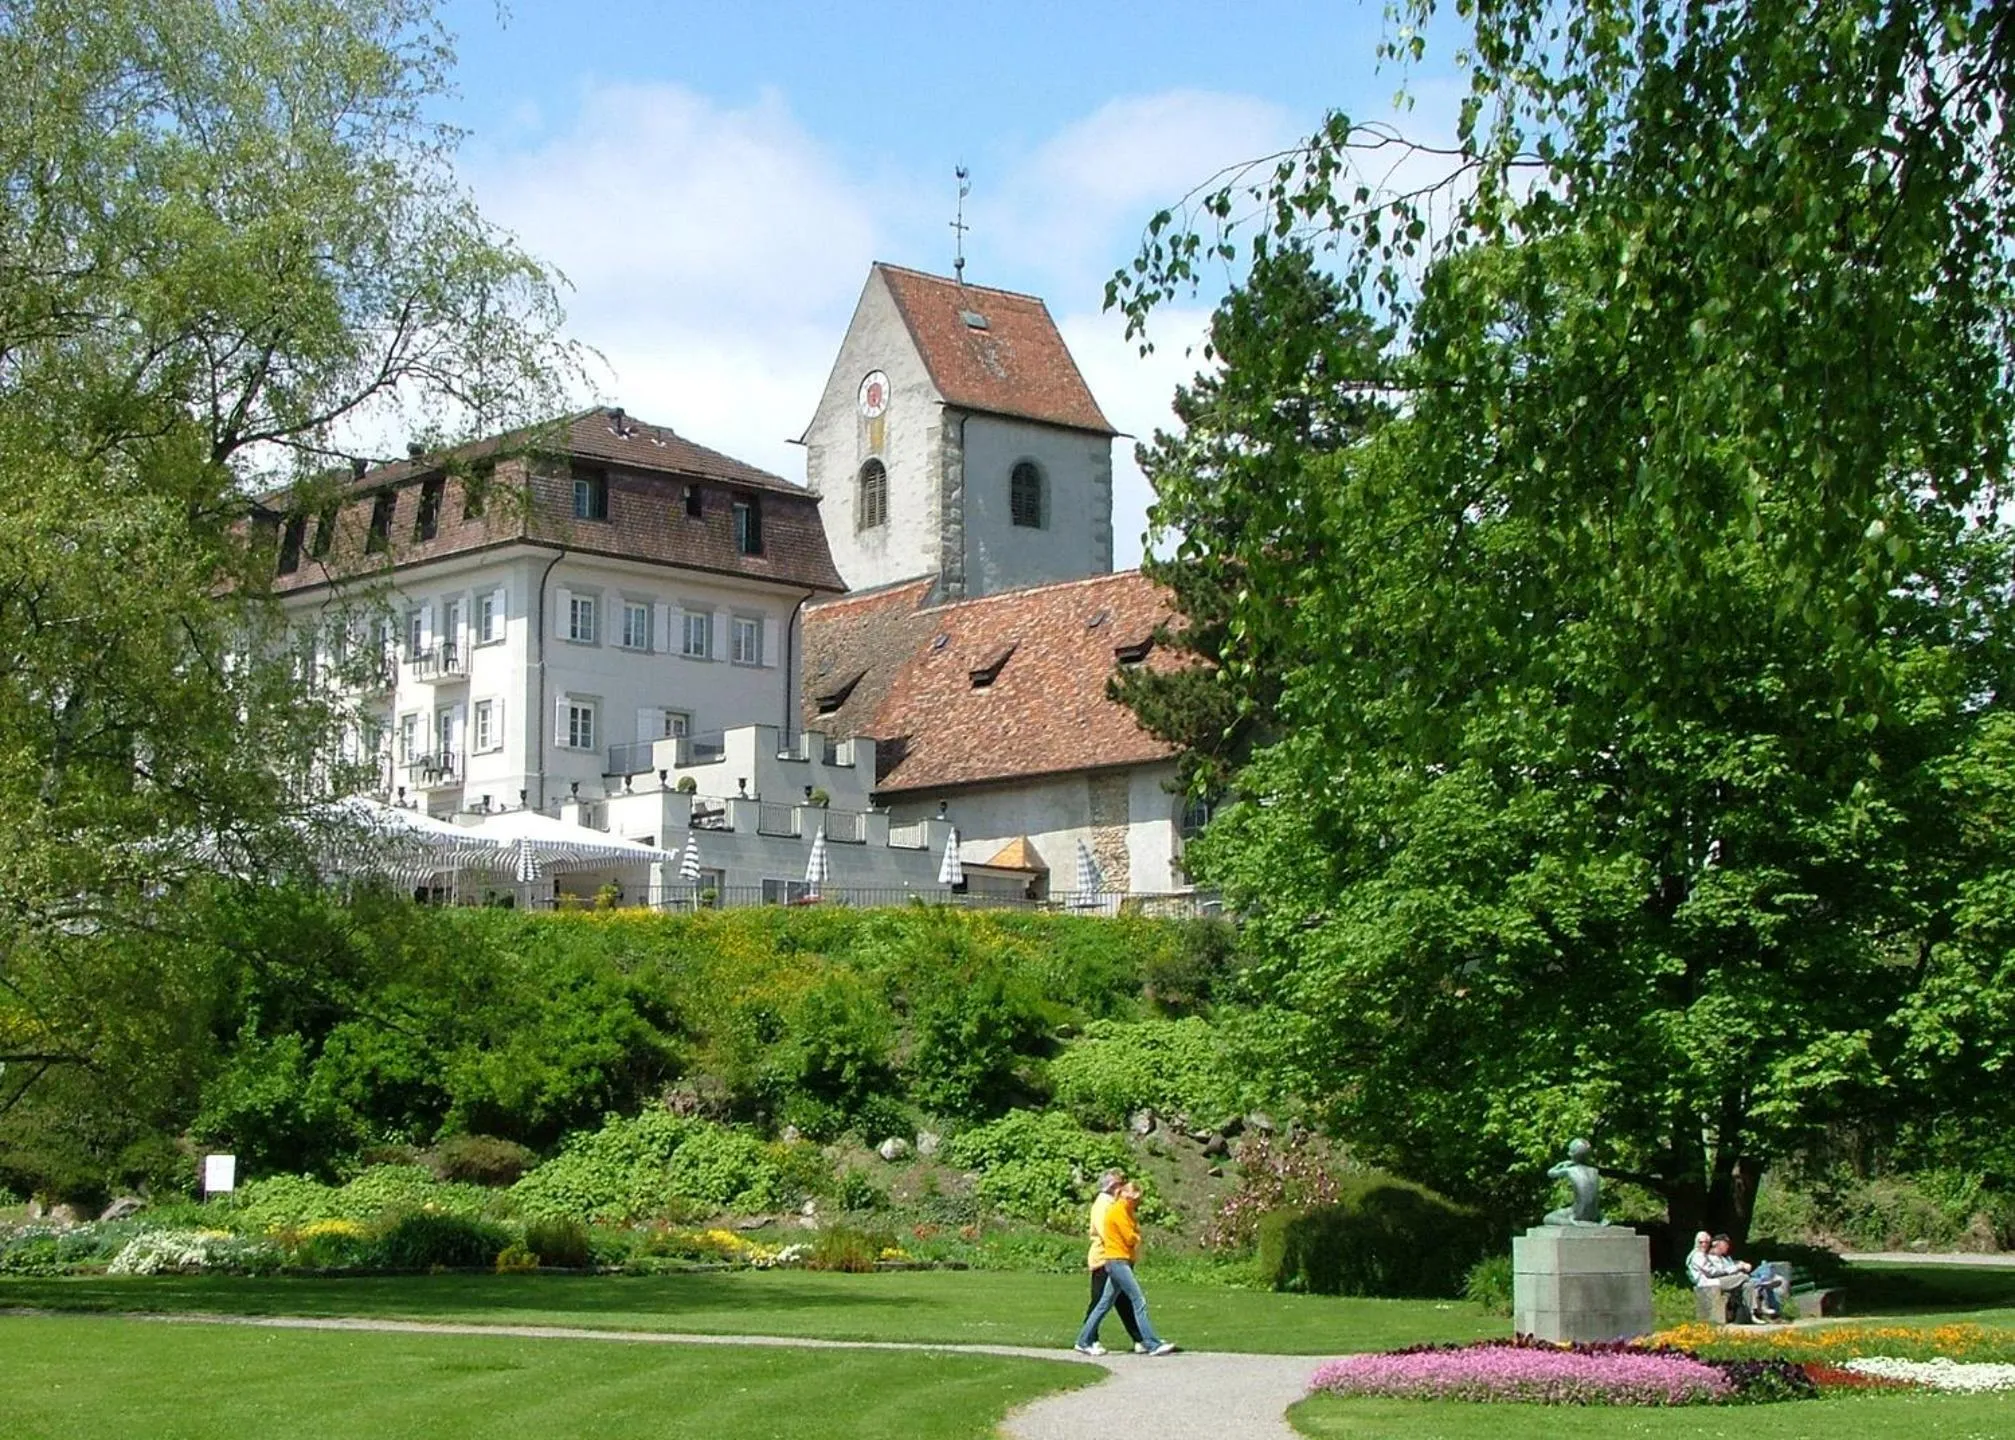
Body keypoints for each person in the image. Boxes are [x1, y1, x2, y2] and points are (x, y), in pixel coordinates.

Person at [1075, 1181, 1178, 1357]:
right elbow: (1130, 1237)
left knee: (1104, 1303)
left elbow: (1132, 1232)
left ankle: (1083, 1339)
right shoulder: (1118, 1211)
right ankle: (1151, 1343)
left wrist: (1135, 1235)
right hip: (1117, 1261)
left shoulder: (1125, 1211)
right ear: (1127, 1196)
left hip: (1121, 1260)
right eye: (1135, 1198)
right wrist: (1137, 1236)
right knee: (1138, 1300)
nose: (1138, 1202)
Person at [1081, 1170, 1147, 1354]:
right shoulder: (1103, 1205)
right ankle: (1087, 1339)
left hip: (1113, 1256)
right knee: (1100, 1300)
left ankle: (1140, 1338)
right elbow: (1107, 1232)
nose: (1123, 1187)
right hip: (1104, 1258)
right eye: (1120, 1183)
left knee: (1123, 1301)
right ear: (1112, 1186)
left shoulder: (1113, 1204)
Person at [1713, 1234, 1787, 1321]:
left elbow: (1733, 1264)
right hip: (1735, 1280)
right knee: (1755, 1283)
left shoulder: (1725, 1258)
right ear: (1717, 1244)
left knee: (1765, 1266)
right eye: (1726, 1244)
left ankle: (1764, 1281)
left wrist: (1742, 1264)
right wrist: (1739, 1267)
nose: (1728, 1246)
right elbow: (1722, 1272)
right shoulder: (1713, 1258)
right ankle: (1763, 1285)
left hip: (1741, 1277)